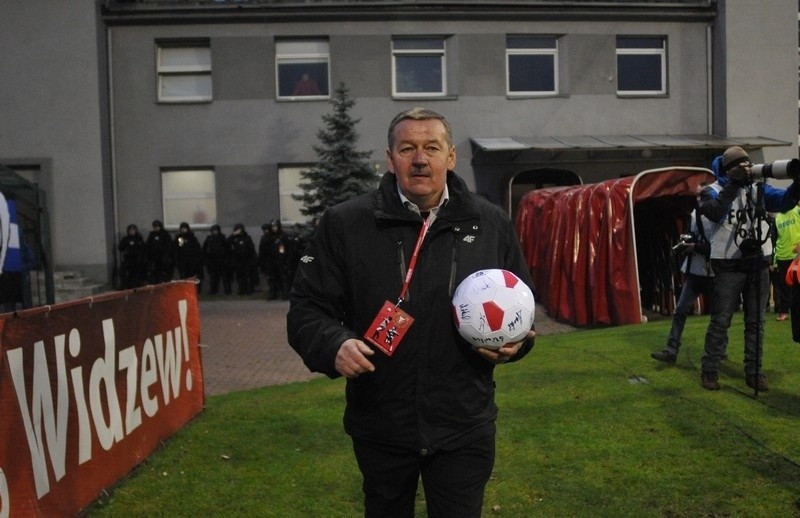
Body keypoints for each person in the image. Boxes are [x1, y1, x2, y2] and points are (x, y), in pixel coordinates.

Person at [286, 108, 536, 517]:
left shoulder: (490, 222)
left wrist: (517, 345)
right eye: (408, 148)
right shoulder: (346, 224)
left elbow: (522, 310)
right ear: (390, 159)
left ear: (450, 157)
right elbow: (307, 310)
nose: (420, 159)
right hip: (381, 422)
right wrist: (335, 343)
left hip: (463, 422)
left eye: (431, 148)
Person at [697, 146, 800, 391]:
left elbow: (785, 202)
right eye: (740, 166)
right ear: (729, 170)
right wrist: (733, 184)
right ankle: (709, 369)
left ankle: (754, 371)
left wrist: (797, 184)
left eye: (747, 165)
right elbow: (714, 212)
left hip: (759, 263)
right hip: (728, 264)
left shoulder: (758, 189)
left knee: (757, 322)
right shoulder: (710, 191)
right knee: (721, 320)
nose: (746, 169)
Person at [651, 207, 719, 364]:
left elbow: (717, 248)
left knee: (717, 317)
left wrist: (694, 246)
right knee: (681, 309)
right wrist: (686, 243)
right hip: (697, 271)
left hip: (712, 273)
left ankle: (718, 349)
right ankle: (671, 350)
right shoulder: (695, 214)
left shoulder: (717, 214)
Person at [771, 204, 800, 321]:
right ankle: (783, 311)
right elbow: (774, 238)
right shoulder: (777, 218)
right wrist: (773, 258)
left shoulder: (798, 211)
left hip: (797, 256)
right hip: (782, 256)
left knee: (797, 285)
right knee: (783, 285)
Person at [258, 219, 289, 300]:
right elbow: (263, 250)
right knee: (272, 278)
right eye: (272, 227)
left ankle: (284, 294)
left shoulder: (283, 236)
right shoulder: (267, 237)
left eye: (275, 226)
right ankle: (273, 294)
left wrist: (286, 259)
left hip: (281, 260)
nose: (274, 228)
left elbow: (288, 249)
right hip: (271, 261)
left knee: (282, 278)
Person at [172, 222, 204, 292]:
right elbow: (179, 249)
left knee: (192, 277)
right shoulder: (180, 238)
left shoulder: (192, 238)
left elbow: (197, 249)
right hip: (183, 261)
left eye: (185, 229)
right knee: (184, 277)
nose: (184, 230)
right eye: (182, 229)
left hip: (192, 261)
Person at [202, 224, 231, 295]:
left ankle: (227, 291)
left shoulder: (222, 238)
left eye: (216, 230)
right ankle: (213, 290)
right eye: (213, 231)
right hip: (212, 261)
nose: (215, 232)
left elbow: (228, 249)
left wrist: (226, 259)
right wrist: (206, 260)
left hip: (222, 261)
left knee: (224, 278)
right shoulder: (209, 239)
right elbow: (204, 249)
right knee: (213, 278)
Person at [228, 223, 256, 295]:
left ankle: (248, 290)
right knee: (239, 276)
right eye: (237, 229)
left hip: (246, 260)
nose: (238, 231)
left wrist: (252, 259)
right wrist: (233, 235)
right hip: (237, 260)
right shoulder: (234, 238)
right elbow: (227, 243)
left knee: (247, 276)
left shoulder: (247, 238)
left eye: (239, 229)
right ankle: (241, 290)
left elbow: (251, 249)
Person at [118, 223, 147, 289]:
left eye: (133, 230)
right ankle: (124, 285)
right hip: (128, 259)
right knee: (122, 271)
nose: (131, 231)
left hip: (137, 260)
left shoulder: (139, 239)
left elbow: (143, 249)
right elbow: (120, 248)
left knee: (136, 273)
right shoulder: (125, 239)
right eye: (130, 230)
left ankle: (136, 284)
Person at [146, 219, 173, 284]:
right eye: (154, 227)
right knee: (154, 276)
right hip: (154, 260)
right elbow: (148, 246)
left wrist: (166, 257)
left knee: (164, 275)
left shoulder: (165, 234)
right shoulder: (151, 235)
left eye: (157, 226)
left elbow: (169, 246)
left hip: (163, 259)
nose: (156, 228)